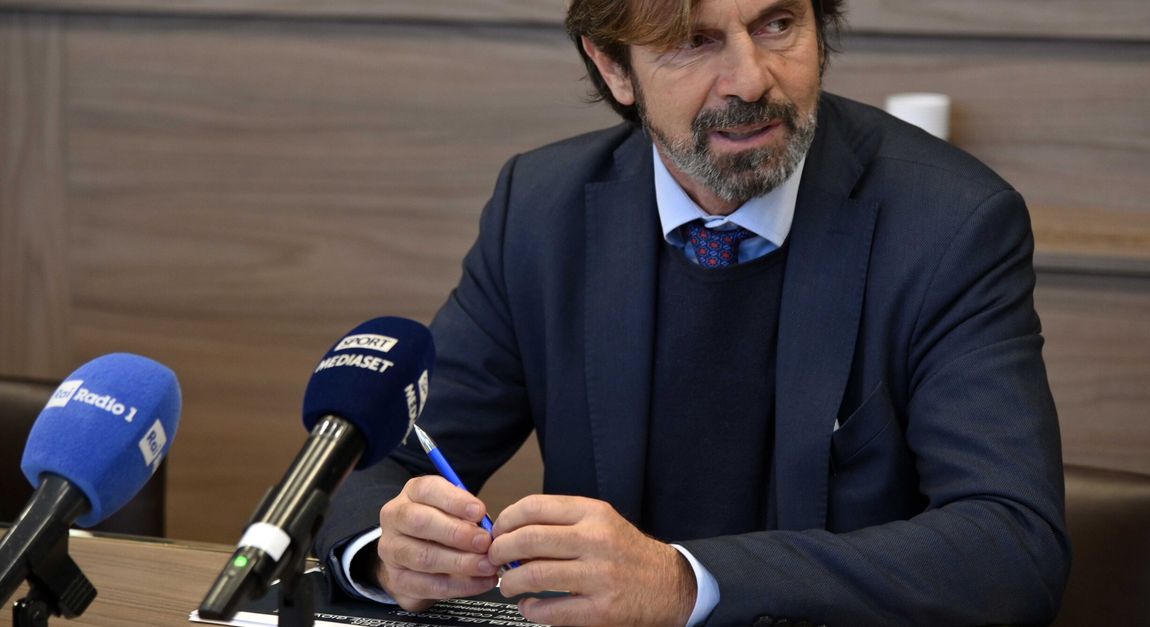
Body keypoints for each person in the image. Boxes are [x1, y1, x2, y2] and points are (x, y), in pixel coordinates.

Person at [315, 0, 1071, 624]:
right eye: (692, 42)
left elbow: (1012, 544)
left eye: (778, 25)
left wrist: (685, 583)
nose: (750, 78)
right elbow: (380, 459)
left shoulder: (948, 224)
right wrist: (388, 551)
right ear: (615, 68)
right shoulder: (542, 211)